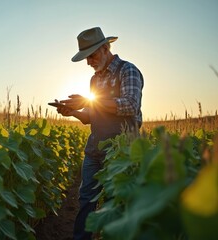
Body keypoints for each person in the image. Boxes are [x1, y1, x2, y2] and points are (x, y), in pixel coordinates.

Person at [56, 27, 144, 240]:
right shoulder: (95, 80)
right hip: (95, 148)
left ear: (105, 48)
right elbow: (91, 116)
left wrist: (88, 101)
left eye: (91, 55)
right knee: (86, 201)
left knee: (115, 204)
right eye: (85, 58)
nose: (88, 62)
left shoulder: (128, 70)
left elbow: (131, 105)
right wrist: (74, 112)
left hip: (120, 152)